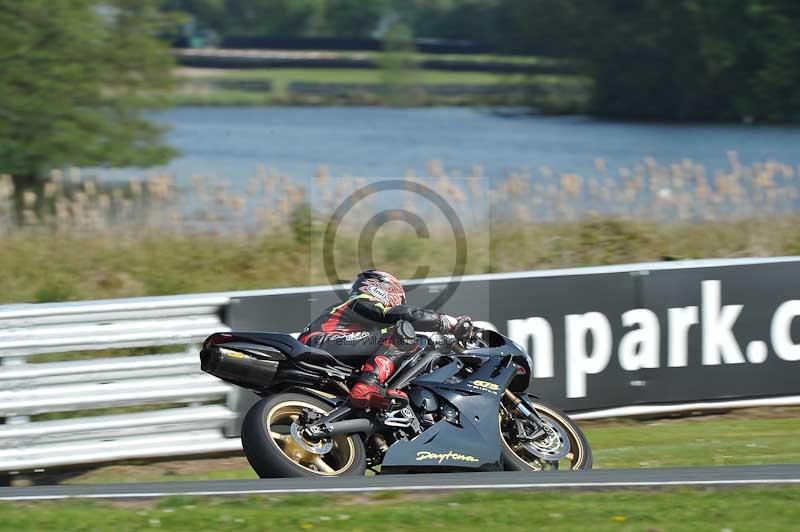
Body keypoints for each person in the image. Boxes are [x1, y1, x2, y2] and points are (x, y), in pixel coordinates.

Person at [298, 270, 469, 411]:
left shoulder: (354, 313)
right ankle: (368, 385)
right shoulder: (360, 301)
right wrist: (446, 322)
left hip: (321, 349)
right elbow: (401, 315)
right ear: (382, 288)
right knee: (401, 332)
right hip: (322, 344)